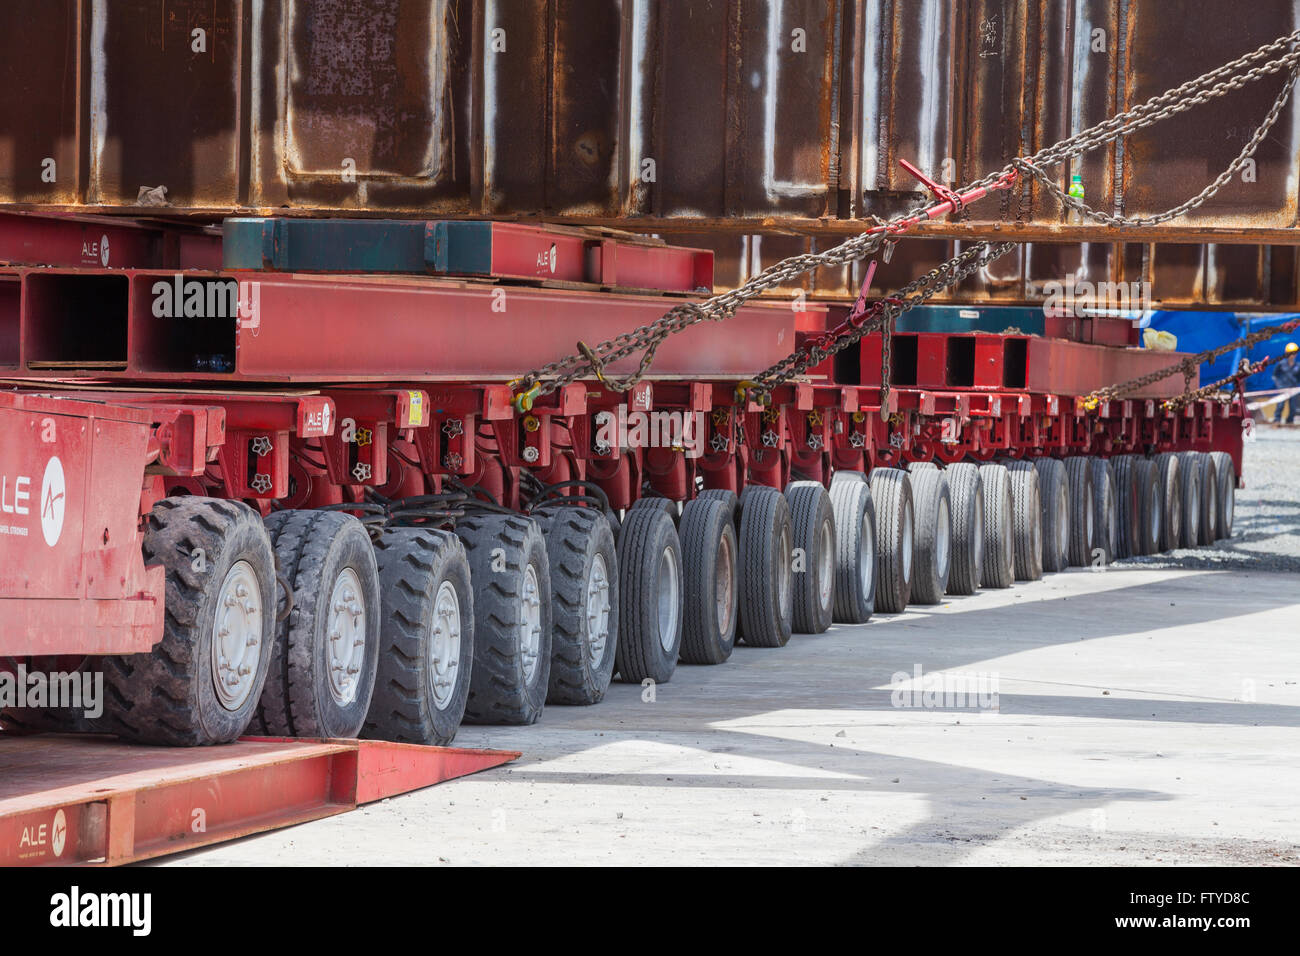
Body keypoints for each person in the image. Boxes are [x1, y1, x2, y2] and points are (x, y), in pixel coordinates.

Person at [1273, 342, 1300, 424]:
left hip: (1293, 389)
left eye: (1294, 353)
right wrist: (1279, 385)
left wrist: (1297, 387)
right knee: (1280, 405)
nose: (1292, 355)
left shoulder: (1298, 366)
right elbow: (1275, 375)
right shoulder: (1281, 364)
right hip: (1283, 388)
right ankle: (1277, 420)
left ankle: (1290, 421)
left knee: (1293, 407)